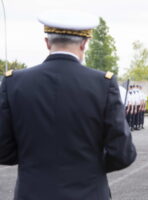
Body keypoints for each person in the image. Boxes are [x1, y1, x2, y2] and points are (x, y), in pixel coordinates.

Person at [0, 10, 136, 200]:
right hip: (88, 192)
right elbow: (123, 153)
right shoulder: (102, 84)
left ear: (47, 42)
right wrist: (90, 166)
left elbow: (3, 151)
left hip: (32, 193)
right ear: (84, 43)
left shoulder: (14, 82)